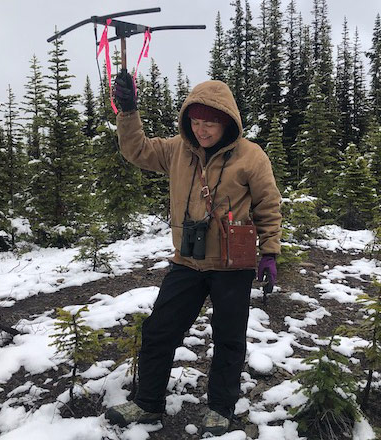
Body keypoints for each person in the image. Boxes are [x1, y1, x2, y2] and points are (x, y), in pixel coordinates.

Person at [105, 70, 281, 435]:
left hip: (233, 265)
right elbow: (136, 149)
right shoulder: (175, 150)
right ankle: (148, 405)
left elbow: (268, 204)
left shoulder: (251, 156)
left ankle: (220, 408)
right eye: (195, 122)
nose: (201, 130)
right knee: (158, 331)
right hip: (186, 261)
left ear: (228, 122)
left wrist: (270, 252)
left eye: (210, 124)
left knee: (228, 338)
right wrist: (128, 111)